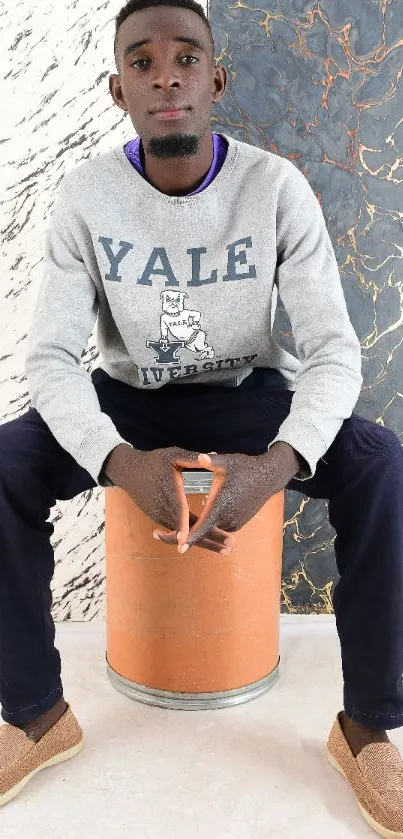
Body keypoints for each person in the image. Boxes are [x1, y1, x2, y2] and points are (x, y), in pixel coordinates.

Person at [0, 0, 402, 832]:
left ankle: (366, 725)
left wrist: (276, 464)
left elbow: (330, 351)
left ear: (215, 79)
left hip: (246, 397)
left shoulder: (274, 188)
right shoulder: (86, 197)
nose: (166, 75)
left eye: (185, 57)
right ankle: (37, 713)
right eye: (141, 63)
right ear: (119, 91)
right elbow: (49, 360)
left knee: (378, 463)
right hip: (127, 399)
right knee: (2, 465)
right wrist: (118, 459)